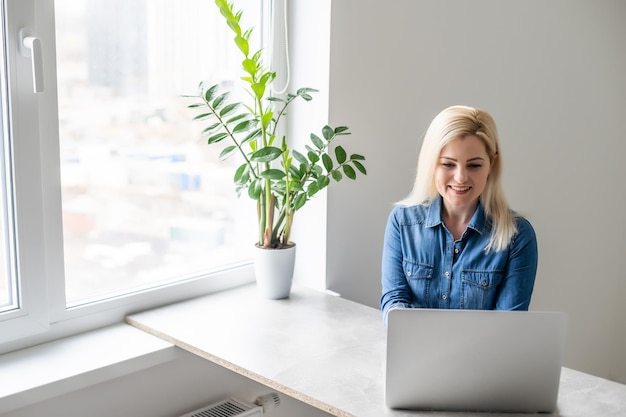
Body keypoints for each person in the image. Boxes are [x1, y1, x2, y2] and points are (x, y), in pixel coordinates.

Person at [380, 105, 538, 323]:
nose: (461, 177)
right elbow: (393, 302)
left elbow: (507, 327)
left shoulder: (517, 235)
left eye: (474, 165)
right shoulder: (402, 222)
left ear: (491, 164)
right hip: (416, 353)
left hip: (483, 357)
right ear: (431, 163)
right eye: (448, 164)